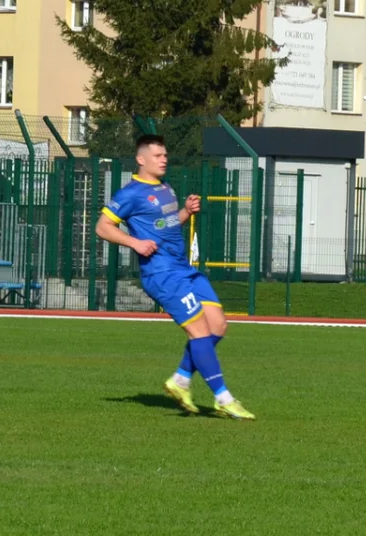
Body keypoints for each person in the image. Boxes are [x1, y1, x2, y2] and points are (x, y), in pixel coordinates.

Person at [95, 134, 255, 420]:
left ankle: (181, 380)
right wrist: (135, 243)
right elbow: (103, 227)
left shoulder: (166, 188)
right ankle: (223, 398)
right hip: (162, 274)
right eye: (158, 156)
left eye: (165, 155)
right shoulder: (130, 193)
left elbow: (166, 225)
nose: (164, 159)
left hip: (184, 269)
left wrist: (185, 212)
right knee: (200, 332)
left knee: (218, 325)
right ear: (141, 160)